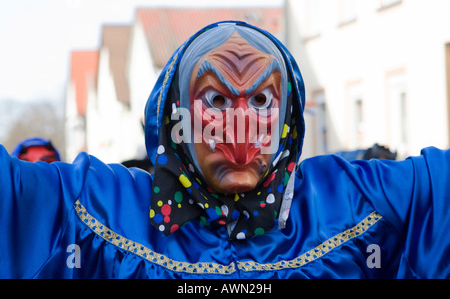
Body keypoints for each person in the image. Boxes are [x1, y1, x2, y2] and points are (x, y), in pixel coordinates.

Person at [0, 21, 449, 279]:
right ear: (177, 119)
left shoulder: (350, 203)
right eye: (215, 100)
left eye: (260, 101)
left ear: (288, 120)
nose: (241, 132)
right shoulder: (101, 206)